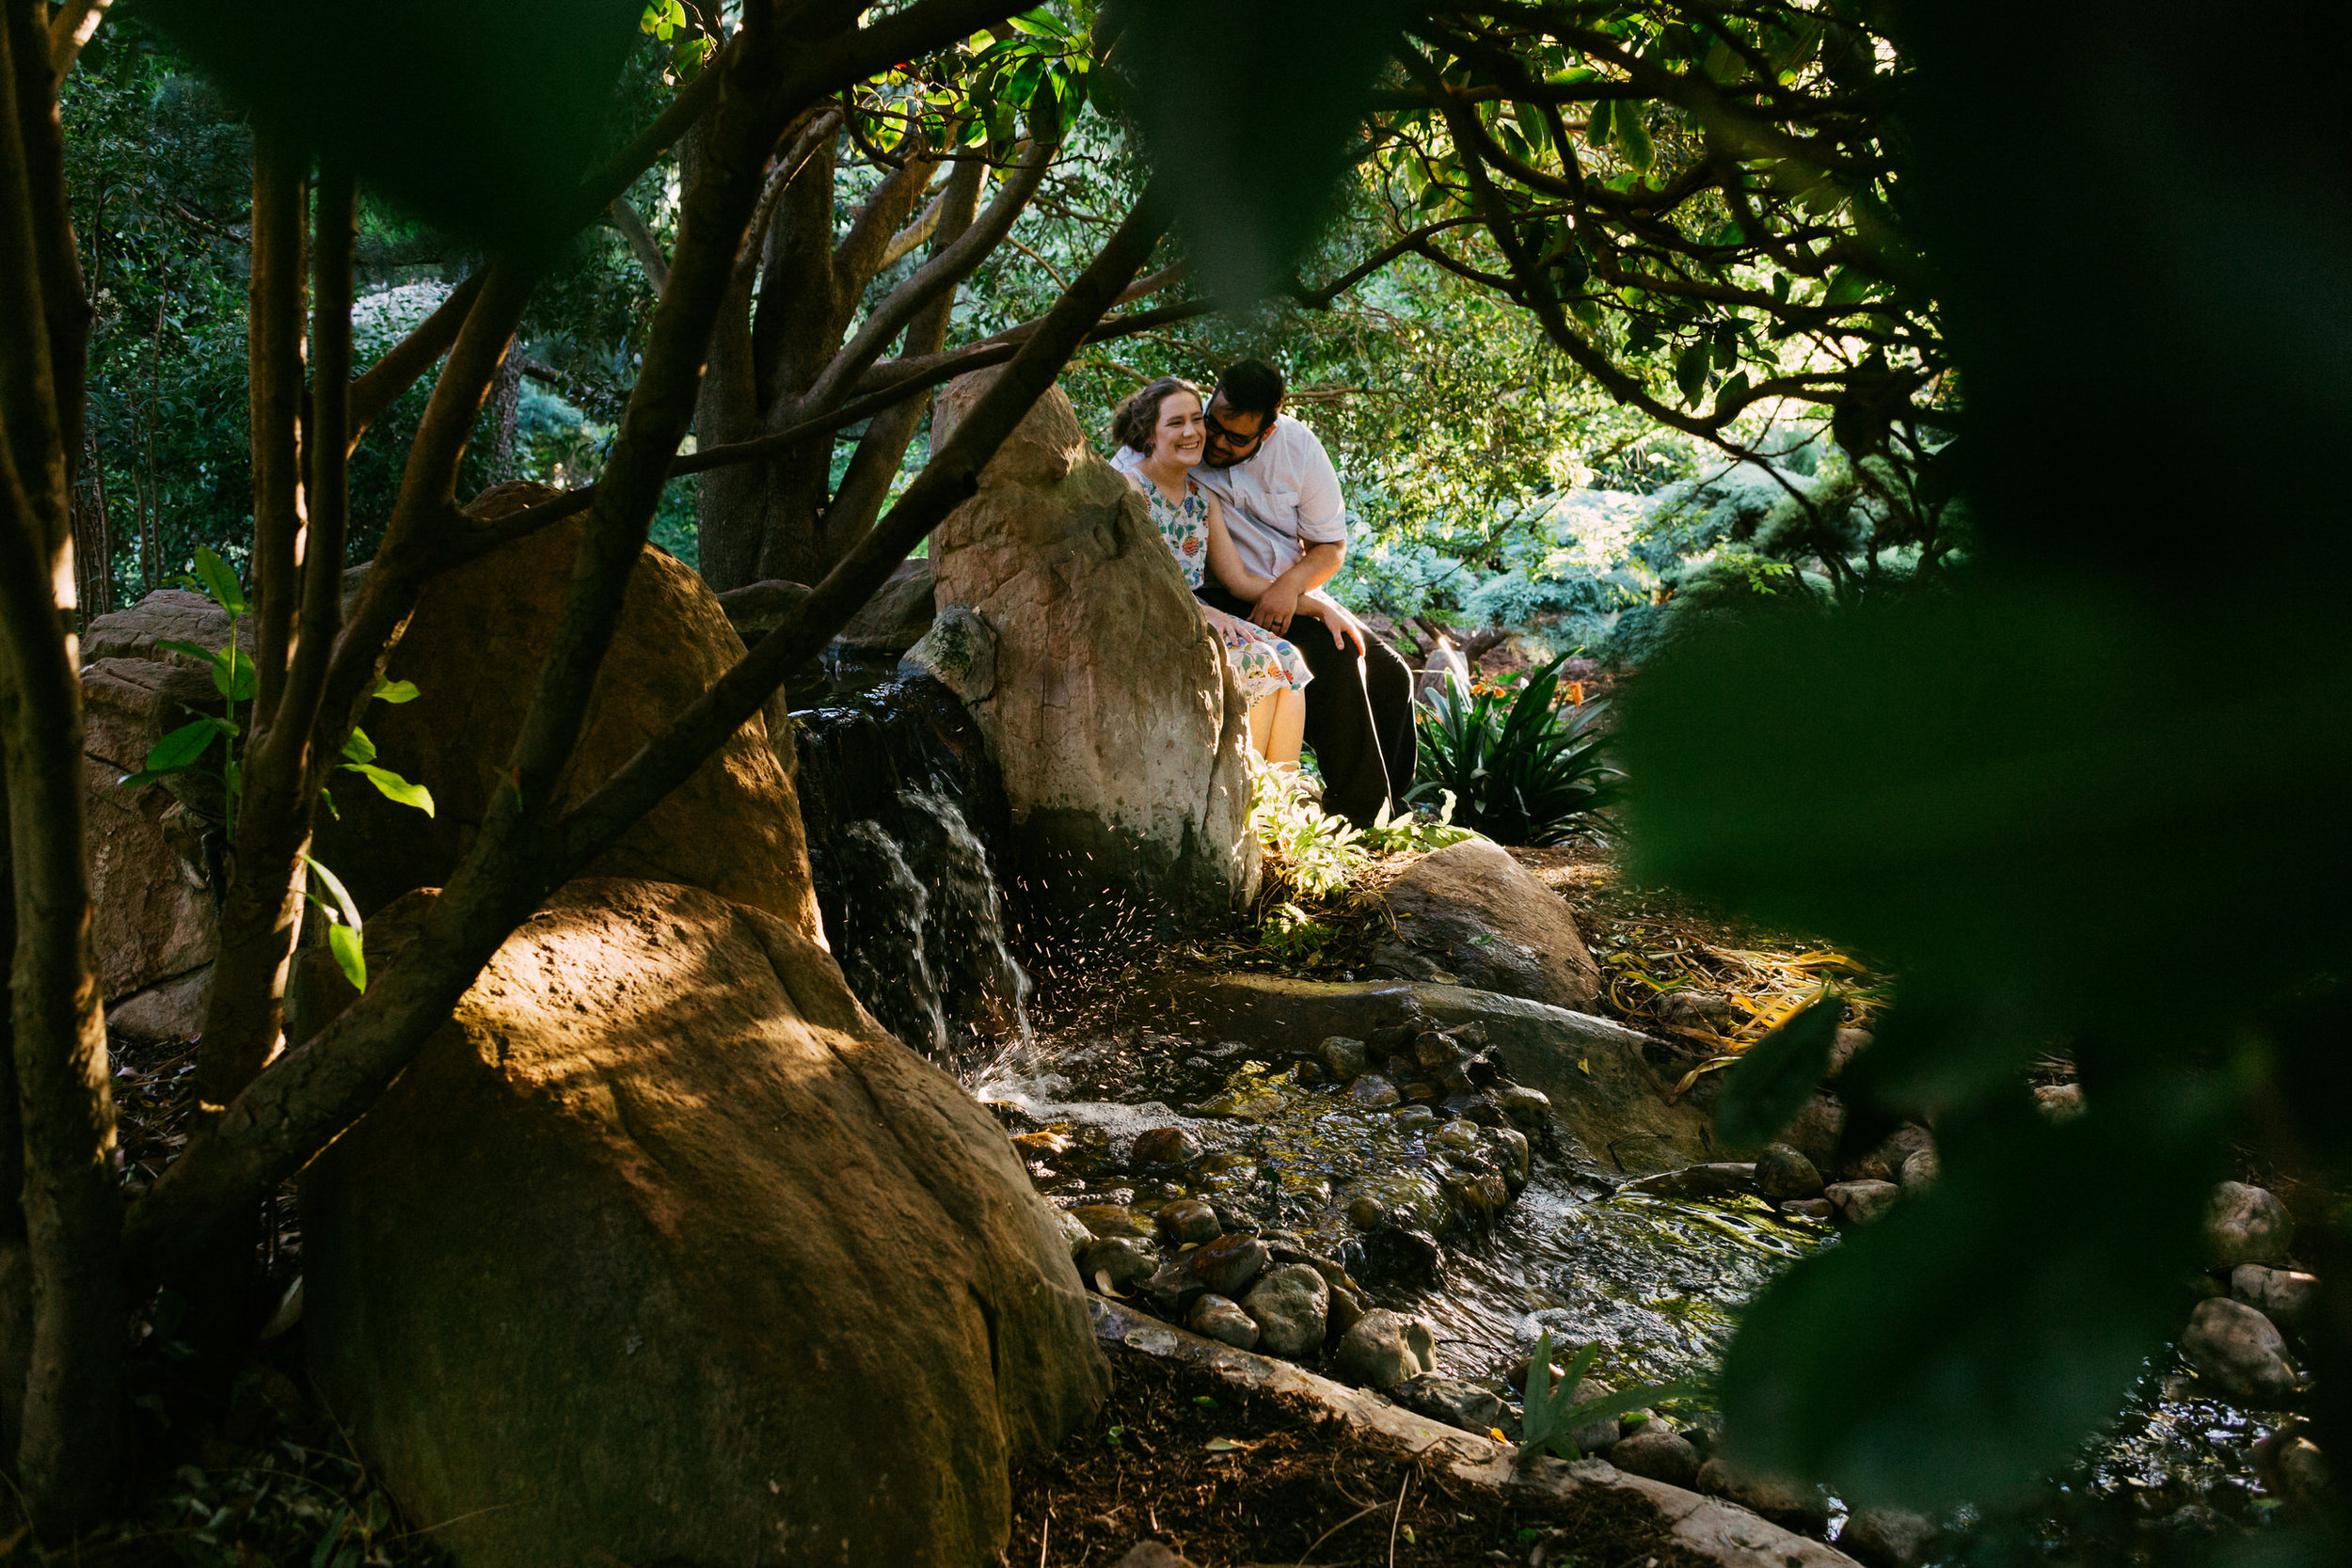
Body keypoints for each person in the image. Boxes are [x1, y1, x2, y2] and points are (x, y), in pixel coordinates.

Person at [1119, 357, 1415, 827]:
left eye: (1234, 438)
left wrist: (1301, 594)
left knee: (1391, 673)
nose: (1211, 440)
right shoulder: (1160, 458)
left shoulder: (1297, 449)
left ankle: (1390, 813)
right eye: (1212, 423)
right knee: (1333, 659)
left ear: (1266, 433)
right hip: (1211, 596)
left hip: (1283, 587)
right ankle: (1353, 818)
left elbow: (1331, 546)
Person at [1112, 376, 1313, 768]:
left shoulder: (1202, 498)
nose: (1191, 432)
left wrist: (1319, 608)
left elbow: (1239, 579)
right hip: (1158, 616)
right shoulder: (1129, 489)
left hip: (1199, 613)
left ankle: (1277, 798)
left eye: (1195, 420)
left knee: (1289, 660)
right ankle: (1246, 795)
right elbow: (1140, 580)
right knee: (1259, 665)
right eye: (1175, 423)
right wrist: (1206, 612)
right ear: (1149, 434)